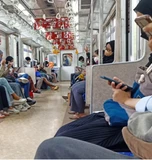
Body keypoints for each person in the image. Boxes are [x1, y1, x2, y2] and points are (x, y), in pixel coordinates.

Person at [54, 0, 152, 152]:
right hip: (124, 109)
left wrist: (126, 99)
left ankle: (78, 110)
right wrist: (129, 92)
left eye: (144, 21)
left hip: (134, 122)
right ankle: (76, 108)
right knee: (62, 132)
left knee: (57, 145)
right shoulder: (150, 61)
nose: (143, 30)